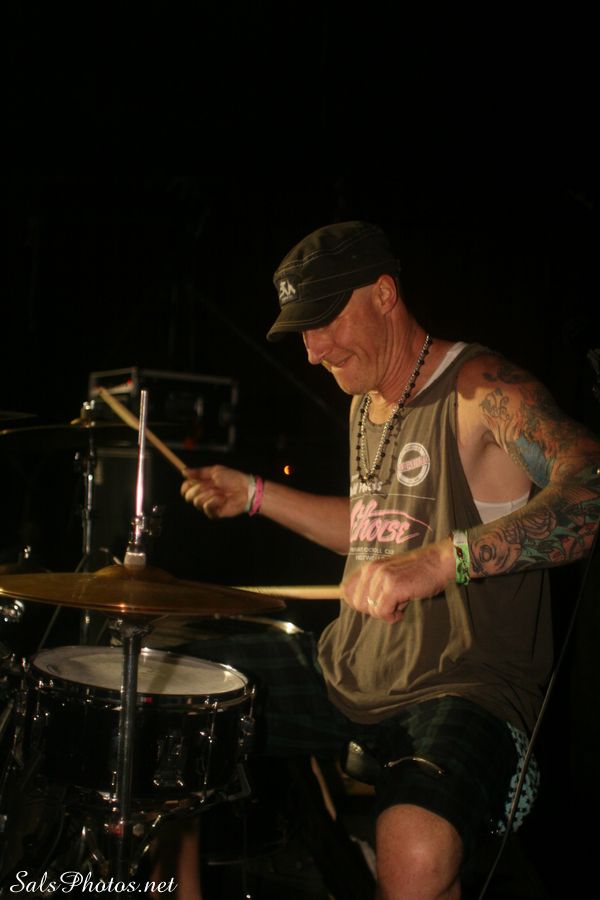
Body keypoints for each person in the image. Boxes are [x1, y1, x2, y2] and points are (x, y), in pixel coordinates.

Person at [180, 220, 600, 900]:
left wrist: (439, 562)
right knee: (174, 692)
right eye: (303, 332)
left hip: (461, 687)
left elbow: (591, 490)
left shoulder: (478, 388)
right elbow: (377, 533)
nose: (314, 352)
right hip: (349, 672)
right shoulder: (367, 400)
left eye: (325, 322)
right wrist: (255, 495)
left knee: (414, 850)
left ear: (383, 294)